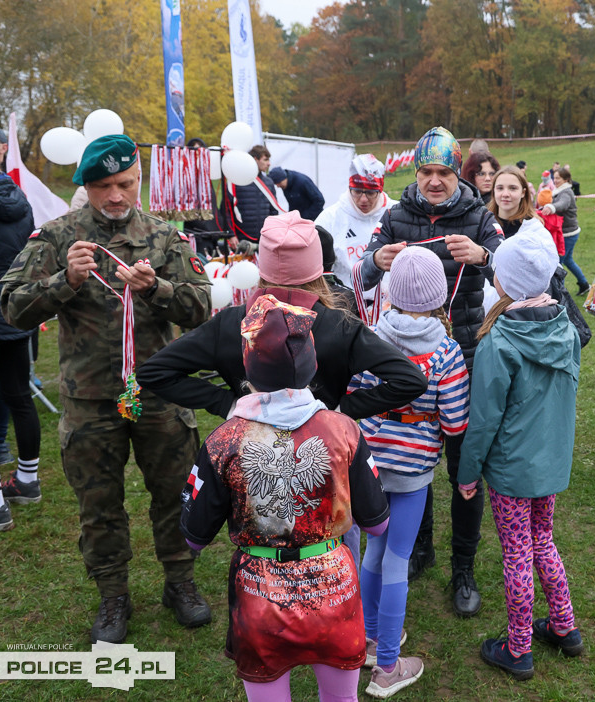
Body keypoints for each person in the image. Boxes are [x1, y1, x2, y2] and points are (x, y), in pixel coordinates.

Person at [0, 134, 213, 643]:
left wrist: (159, 289)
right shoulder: (57, 238)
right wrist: (64, 282)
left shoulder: (165, 238)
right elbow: (10, 307)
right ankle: (113, 595)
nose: (115, 196)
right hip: (90, 401)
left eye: (124, 183)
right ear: (86, 186)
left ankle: (179, 583)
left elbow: (204, 307)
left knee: (173, 495)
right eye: (102, 186)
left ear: (138, 181)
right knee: (99, 505)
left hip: (158, 393)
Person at [138, 210, 427, 563]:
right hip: (328, 472)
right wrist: (340, 411)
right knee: (336, 560)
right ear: (319, 271)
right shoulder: (338, 325)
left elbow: (154, 372)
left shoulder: (232, 323)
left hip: (251, 474)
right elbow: (410, 379)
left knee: (261, 559)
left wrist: (228, 402)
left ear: (262, 268)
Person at [179, 294, 390, 702]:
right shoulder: (344, 430)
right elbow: (378, 522)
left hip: (260, 596)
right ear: (312, 365)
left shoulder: (225, 440)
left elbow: (193, 536)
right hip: (334, 590)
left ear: (248, 364)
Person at [357, 126, 503, 616]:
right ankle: (419, 547)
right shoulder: (397, 214)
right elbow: (364, 271)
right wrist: (377, 257)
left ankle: (464, 566)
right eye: (426, 172)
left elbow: (519, 269)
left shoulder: (478, 215)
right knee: (409, 461)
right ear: (416, 172)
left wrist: (484, 255)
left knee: (464, 467)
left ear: (456, 173)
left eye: (443, 172)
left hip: (464, 352)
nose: (435, 181)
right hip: (404, 360)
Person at [456, 232, 583, 682]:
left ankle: (519, 646)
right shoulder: (565, 327)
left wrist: (467, 472)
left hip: (512, 468)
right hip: (548, 461)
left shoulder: (498, 342)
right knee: (543, 539)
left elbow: (484, 418)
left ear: (503, 281)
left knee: (517, 553)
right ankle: (565, 626)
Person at [351, 247, 470, 698]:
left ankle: (367, 639)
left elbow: (356, 392)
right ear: (439, 295)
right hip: (413, 469)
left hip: (370, 462)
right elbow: (456, 421)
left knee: (372, 554)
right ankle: (386, 666)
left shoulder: (370, 336)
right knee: (396, 559)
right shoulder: (446, 350)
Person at [0, 142, 42, 533]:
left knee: (14, 398)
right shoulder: (19, 198)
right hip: (13, 307)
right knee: (19, 396)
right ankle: (27, 480)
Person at [490, 166, 593, 348]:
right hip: (488, 313)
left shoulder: (535, 230)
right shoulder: (484, 226)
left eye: (512, 188)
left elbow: (546, 275)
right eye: (500, 188)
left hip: (526, 319)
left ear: (523, 192)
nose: (505, 194)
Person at [313, 154, 397, 300]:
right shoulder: (330, 218)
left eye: (370, 192)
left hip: (390, 303)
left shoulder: (395, 212)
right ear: (349, 187)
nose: (363, 199)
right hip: (347, 303)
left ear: (380, 190)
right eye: (357, 191)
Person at [541, 166, 588, 296]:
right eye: (554, 178)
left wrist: (551, 207)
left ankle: (559, 294)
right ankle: (584, 284)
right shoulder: (559, 190)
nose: (555, 180)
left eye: (558, 178)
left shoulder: (566, 192)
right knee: (568, 261)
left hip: (568, 234)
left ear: (566, 179)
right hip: (567, 233)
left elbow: (562, 204)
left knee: (557, 265)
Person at [221, 145, 277, 246]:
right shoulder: (236, 181)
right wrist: (231, 234)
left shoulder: (269, 183)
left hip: (264, 239)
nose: (269, 164)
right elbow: (226, 210)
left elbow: (273, 211)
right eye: (265, 160)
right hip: (241, 239)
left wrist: (271, 233)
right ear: (255, 159)